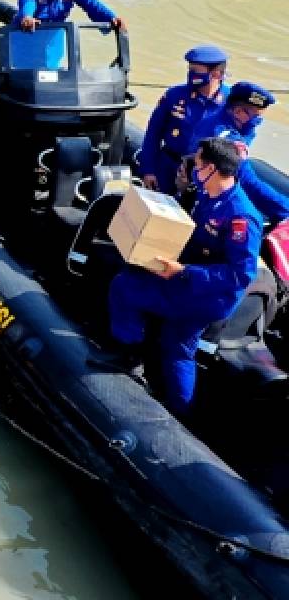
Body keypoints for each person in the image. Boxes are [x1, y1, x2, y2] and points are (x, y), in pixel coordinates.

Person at [106, 137, 261, 416]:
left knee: (126, 288)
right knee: (177, 346)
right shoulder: (208, 197)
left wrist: (185, 272)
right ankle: (179, 407)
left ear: (213, 169)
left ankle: (131, 358)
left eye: (199, 164)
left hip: (207, 295)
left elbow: (241, 274)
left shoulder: (240, 217)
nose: (193, 168)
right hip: (193, 281)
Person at [187, 81, 289, 222]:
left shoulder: (219, 118)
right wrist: (285, 208)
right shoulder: (227, 139)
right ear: (238, 112)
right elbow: (247, 181)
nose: (258, 122)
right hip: (206, 198)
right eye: (257, 117)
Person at [137, 45, 229, 193]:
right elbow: (153, 134)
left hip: (202, 175)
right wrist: (148, 170)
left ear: (216, 74)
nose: (191, 75)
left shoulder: (230, 103)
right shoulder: (174, 95)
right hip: (167, 167)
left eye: (196, 71)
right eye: (189, 70)